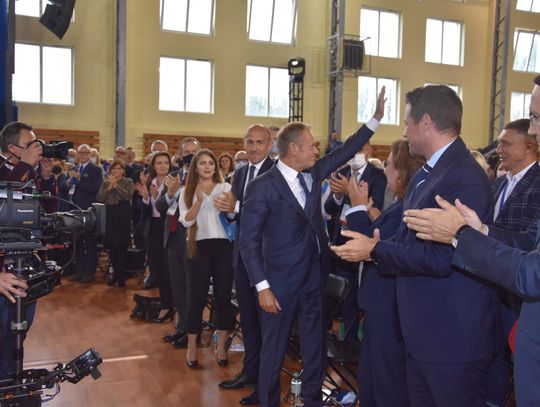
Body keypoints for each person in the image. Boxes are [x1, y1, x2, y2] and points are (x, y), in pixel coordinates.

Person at [331, 85, 499, 407]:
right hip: (422, 332)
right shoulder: (429, 172)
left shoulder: (462, 176)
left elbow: (443, 257)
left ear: (426, 122)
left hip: (450, 337)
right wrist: (380, 244)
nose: (405, 132)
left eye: (408, 123)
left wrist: (375, 250)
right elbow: (412, 237)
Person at [238, 88, 385, 407]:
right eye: (312, 145)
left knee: (315, 349)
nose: (317, 149)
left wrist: (375, 119)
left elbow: (347, 149)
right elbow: (247, 242)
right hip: (277, 284)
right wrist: (262, 287)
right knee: (273, 351)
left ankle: (313, 401)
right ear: (294, 148)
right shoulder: (262, 187)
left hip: (314, 279)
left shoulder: (314, 172)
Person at [402, 74, 540, 406]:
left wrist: (461, 235)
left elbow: (532, 273)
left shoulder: (464, 175)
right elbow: (530, 243)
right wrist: (481, 231)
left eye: (536, 117)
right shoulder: (428, 173)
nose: (533, 130)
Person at [342, 139, 423, 407]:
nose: (384, 169)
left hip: (388, 306)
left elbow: (366, 246)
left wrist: (357, 207)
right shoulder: (401, 204)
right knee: (371, 378)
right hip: (380, 305)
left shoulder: (407, 208)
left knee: (385, 383)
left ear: (402, 171)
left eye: (388, 164)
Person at [214, 124, 274, 406]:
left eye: (259, 142)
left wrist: (236, 208)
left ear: (270, 144)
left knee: (266, 327)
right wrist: (228, 210)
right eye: (249, 142)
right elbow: (236, 217)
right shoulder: (239, 173)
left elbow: (270, 216)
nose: (253, 147)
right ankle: (250, 371)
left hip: (266, 261)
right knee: (248, 322)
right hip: (242, 257)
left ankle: (265, 384)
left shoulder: (277, 173)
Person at [0, 121, 57, 379]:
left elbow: (48, 210)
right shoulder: (11, 169)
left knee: (18, 332)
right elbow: (5, 203)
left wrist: (45, 177)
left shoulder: (28, 171)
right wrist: (25, 166)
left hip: (27, 263)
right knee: (3, 334)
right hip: (4, 269)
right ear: (12, 148)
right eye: (30, 144)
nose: (37, 149)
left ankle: (11, 382)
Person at [324, 141, 387, 339]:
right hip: (340, 239)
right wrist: (338, 196)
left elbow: (375, 208)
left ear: (369, 151)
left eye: (360, 149)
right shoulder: (342, 172)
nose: (356, 153)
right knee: (341, 292)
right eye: (353, 149)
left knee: (357, 294)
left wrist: (350, 193)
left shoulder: (377, 175)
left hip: (364, 239)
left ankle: (354, 342)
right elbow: (328, 208)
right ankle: (340, 337)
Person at [178, 149, 234, 369]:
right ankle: (192, 345)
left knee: (223, 297)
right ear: (195, 167)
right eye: (202, 163)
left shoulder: (225, 187)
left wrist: (229, 207)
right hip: (198, 247)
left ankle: (221, 345)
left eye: (211, 163)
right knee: (196, 297)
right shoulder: (187, 191)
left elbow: (233, 214)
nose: (207, 167)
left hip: (223, 246)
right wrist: (199, 202)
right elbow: (186, 221)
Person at [156, 137, 201, 348]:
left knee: (192, 288)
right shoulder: (173, 175)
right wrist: (171, 193)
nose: (190, 155)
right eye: (187, 152)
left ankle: (193, 331)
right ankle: (183, 327)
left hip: (193, 238)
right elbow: (160, 206)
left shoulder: (204, 176)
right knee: (178, 287)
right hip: (173, 237)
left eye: (194, 151)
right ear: (180, 154)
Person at [135, 152, 174, 320]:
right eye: (159, 163)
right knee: (157, 268)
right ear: (154, 166)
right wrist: (146, 199)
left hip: (168, 228)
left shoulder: (173, 182)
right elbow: (146, 212)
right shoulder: (150, 182)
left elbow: (173, 209)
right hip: (153, 229)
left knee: (168, 269)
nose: (162, 166)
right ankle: (166, 304)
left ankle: (170, 306)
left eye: (166, 162)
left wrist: (159, 198)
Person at [66, 144, 103, 283]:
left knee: (89, 242)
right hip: (75, 209)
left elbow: (96, 189)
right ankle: (79, 270)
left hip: (88, 211)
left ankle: (90, 272)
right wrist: (70, 181)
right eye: (80, 153)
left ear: (89, 154)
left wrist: (79, 180)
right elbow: (66, 188)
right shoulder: (74, 168)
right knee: (77, 242)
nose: (82, 155)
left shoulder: (95, 169)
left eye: (84, 152)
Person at [96, 159, 134, 287]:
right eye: (114, 168)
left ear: (123, 170)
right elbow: (99, 197)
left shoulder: (128, 181)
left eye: (119, 168)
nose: (116, 171)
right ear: (110, 170)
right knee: (112, 247)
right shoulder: (106, 182)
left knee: (121, 247)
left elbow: (128, 196)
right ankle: (116, 275)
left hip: (122, 215)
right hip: (109, 214)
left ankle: (122, 277)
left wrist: (116, 185)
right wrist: (110, 187)